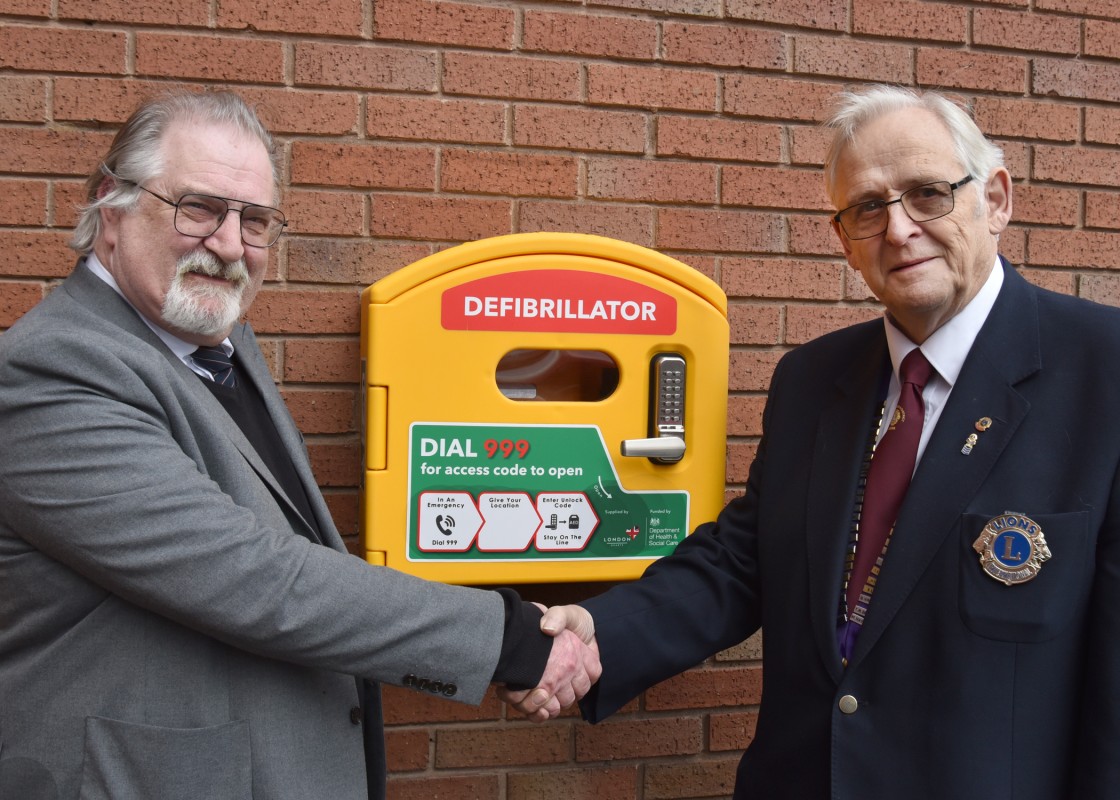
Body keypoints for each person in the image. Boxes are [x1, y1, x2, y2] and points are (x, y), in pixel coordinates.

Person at [505, 84, 1120, 798]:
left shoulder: (1103, 374)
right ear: (843, 240)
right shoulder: (812, 380)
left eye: (927, 194)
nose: (898, 230)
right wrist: (595, 631)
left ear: (997, 199)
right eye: (867, 208)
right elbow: (744, 561)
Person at [0, 90, 598, 800]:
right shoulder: (51, 372)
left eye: (254, 221)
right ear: (112, 205)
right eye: (199, 208)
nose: (228, 245)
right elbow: (252, 576)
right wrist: (511, 640)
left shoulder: (217, 344)